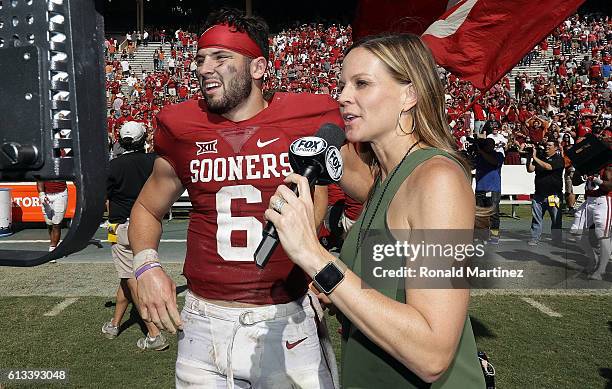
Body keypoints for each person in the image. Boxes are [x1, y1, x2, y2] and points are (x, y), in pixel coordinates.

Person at [129, 9, 341, 388]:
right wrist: (146, 266)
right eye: (199, 59)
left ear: (258, 67)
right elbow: (147, 207)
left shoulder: (309, 116)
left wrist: (321, 265)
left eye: (220, 58)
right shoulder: (182, 126)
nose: (203, 68)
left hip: (286, 319)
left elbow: (338, 194)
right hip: (201, 322)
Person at [265, 34, 486, 387]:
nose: (342, 97)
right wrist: (331, 289)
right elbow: (381, 290)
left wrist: (314, 256)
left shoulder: (437, 179)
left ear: (409, 94)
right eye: (341, 85)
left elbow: (432, 353)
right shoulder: (384, 178)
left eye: (361, 84)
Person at [101, 121, 168, 350]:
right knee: (128, 276)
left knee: (133, 278)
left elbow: (103, 198)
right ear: (143, 139)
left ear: (120, 140)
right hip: (149, 225)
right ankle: (114, 324)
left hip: (123, 226)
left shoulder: (113, 166)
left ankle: (154, 333)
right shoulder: (153, 161)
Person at [569, 164, 611, 280]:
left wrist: (596, 179)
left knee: (602, 234)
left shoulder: (607, 164)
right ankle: (593, 258)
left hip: (603, 199)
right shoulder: (587, 163)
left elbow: (610, 186)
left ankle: (601, 269)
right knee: (576, 231)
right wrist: (581, 173)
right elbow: (575, 182)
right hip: (588, 200)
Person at [526, 138, 564, 245]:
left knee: (556, 219)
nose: (547, 147)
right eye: (546, 145)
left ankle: (556, 240)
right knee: (536, 218)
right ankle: (535, 238)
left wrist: (535, 157)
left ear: (556, 148)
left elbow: (548, 167)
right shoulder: (540, 157)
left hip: (553, 195)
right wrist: (529, 157)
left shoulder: (559, 159)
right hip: (539, 194)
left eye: (549, 146)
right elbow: (530, 169)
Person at [475, 138, 504, 244]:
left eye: (489, 144)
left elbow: (494, 162)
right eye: (485, 144)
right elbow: (471, 165)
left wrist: (481, 152)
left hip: (493, 189)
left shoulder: (498, 155)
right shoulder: (479, 156)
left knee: (493, 213)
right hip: (480, 188)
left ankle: (494, 235)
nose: (487, 146)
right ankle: (482, 235)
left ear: (493, 145)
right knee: (480, 214)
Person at [37, 180, 68, 254]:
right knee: (49, 223)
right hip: (47, 194)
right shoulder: (45, 168)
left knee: (56, 224)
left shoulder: (63, 168)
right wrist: (42, 194)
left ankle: (52, 249)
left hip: (61, 194)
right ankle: (54, 242)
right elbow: (39, 179)